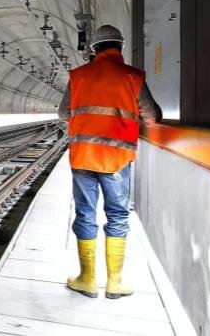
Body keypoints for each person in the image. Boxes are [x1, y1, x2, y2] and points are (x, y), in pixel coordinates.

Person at [58, 25, 162, 299]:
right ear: (120, 46)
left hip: (83, 156)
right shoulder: (132, 76)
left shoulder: (78, 76)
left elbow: (63, 113)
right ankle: (115, 282)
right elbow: (152, 115)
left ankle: (87, 279)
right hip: (117, 158)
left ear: (93, 49)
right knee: (117, 214)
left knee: (85, 212)